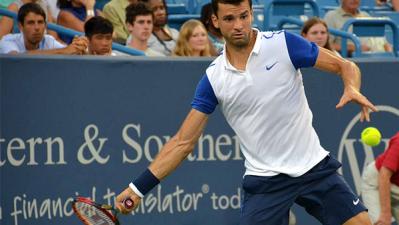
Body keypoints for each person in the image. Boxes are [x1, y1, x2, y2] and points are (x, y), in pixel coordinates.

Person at [116, 0, 378, 224]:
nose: (239, 25)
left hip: (313, 167)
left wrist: (351, 86)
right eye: (229, 18)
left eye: (244, 16)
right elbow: (183, 142)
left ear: (252, 14)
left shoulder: (284, 45)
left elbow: (345, 66)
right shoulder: (214, 78)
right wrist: (138, 189)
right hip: (265, 181)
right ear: (216, 21)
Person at [0, 2, 87, 54]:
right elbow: (16, 58)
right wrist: (64, 51)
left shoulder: (48, 40)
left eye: (40, 22)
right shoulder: (8, 40)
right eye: (31, 23)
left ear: (45, 25)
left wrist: (78, 46)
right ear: (20, 26)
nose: (37, 27)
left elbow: (68, 50)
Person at [324, 0, 392, 55]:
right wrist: (353, 48)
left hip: (376, 57)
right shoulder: (331, 16)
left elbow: (382, 41)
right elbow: (326, 45)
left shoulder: (366, 15)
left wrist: (390, 52)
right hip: (351, 59)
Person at [362, 132, 399, 225]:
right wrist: (385, 214)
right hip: (376, 183)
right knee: (382, 223)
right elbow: (384, 175)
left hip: (396, 186)